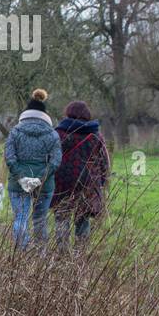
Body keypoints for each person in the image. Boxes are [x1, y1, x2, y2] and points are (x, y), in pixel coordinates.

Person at [4, 88, 62, 249]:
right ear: (45, 115)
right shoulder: (52, 134)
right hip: (44, 185)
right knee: (40, 220)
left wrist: (21, 177)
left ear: (25, 113)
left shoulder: (15, 132)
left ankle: (20, 254)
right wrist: (40, 178)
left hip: (17, 183)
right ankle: (40, 256)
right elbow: (56, 161)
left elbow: (9, 157)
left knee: (20, 218)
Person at [52, 99, 109, 247]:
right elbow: (104, 162)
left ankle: (61, 254)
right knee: (83, 218)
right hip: (88, 183)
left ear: (68, 113)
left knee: (62, 217)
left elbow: (50, 158)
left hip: (62, 182)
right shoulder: (95, 135)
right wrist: (101, 182)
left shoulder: (58, 134)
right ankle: (80, 257)